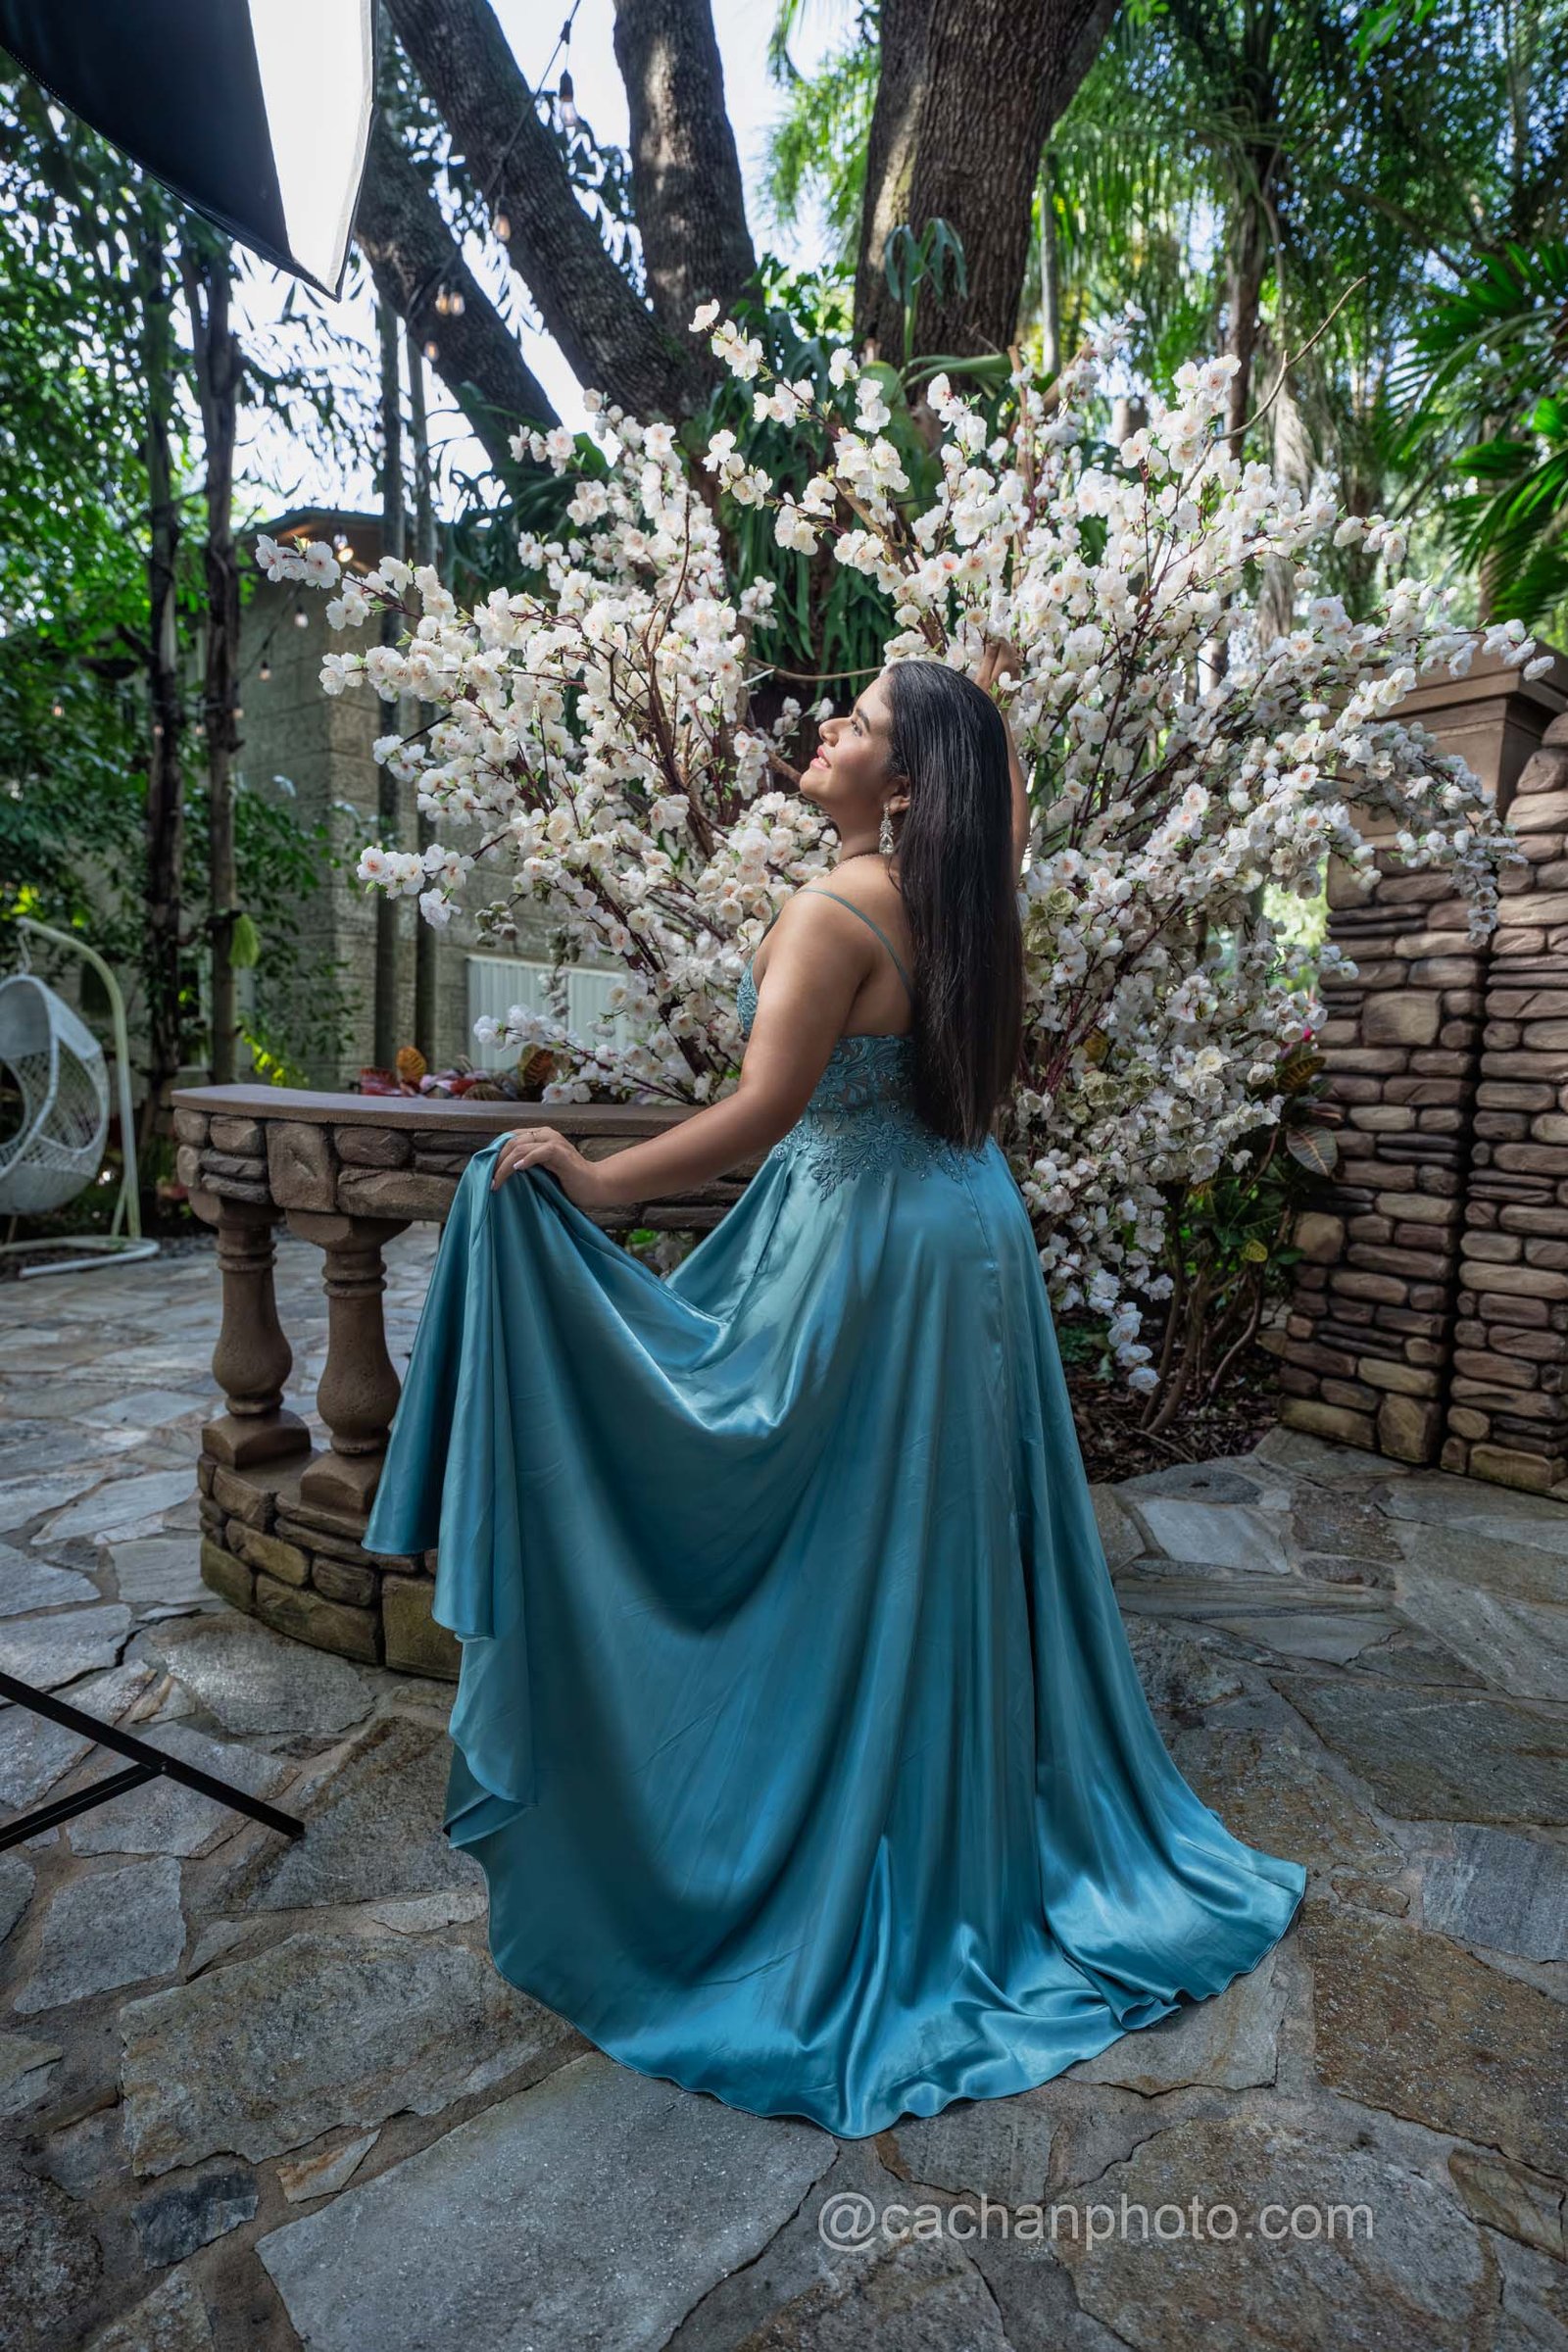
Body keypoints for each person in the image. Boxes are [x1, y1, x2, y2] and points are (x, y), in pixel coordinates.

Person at [361, 651, 1306, 2139]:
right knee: (932, 1538)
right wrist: (974, 711)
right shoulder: (969, 903)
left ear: (909, 785)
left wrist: (597, 1181)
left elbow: (760, 1111)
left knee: (823, 1520)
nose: (823, 729)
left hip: (865, 1246)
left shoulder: (834, 909)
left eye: (856, 723)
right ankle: (956, 1819)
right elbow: (992, 828)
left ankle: (828, 1832)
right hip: (969, 1239)